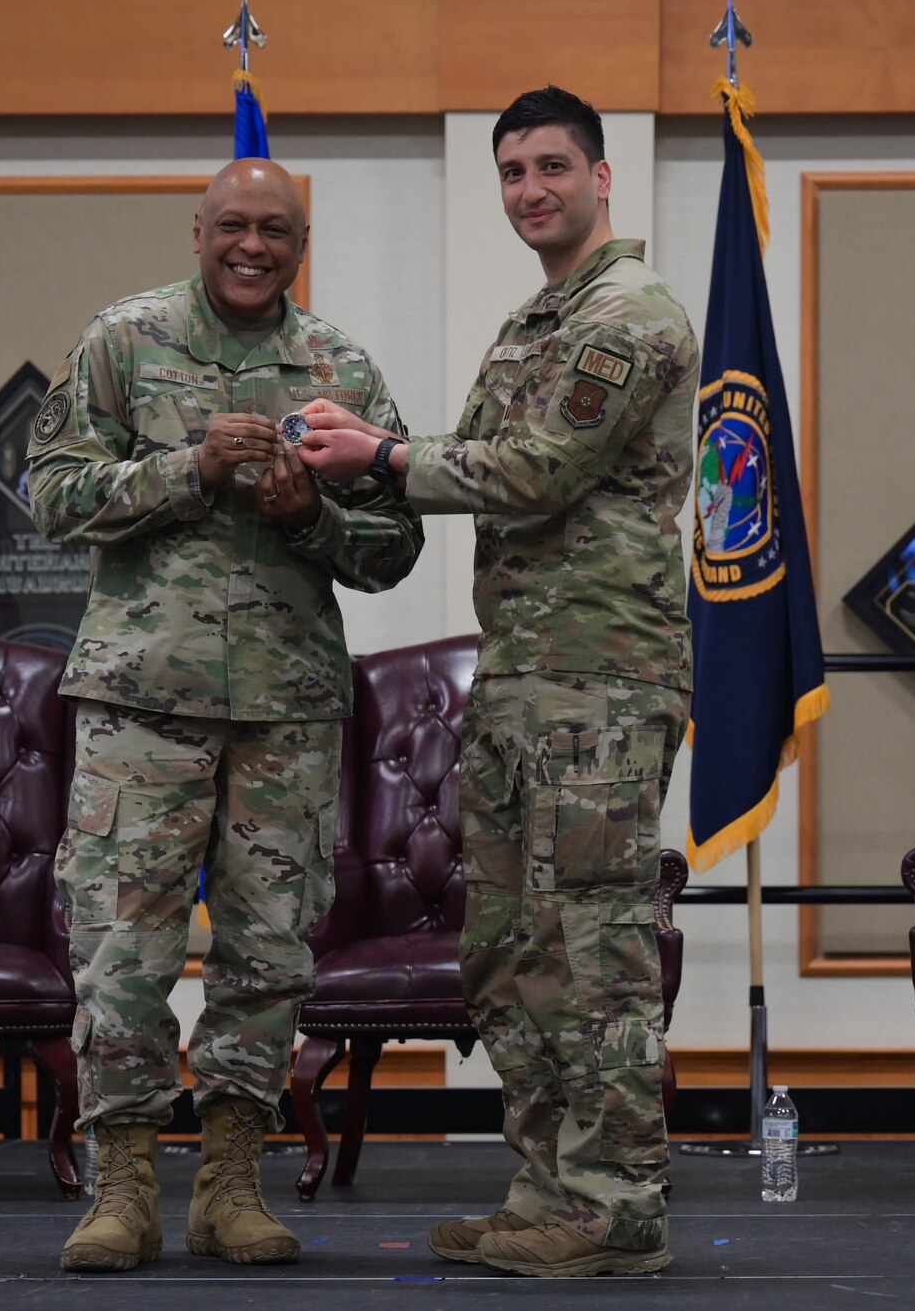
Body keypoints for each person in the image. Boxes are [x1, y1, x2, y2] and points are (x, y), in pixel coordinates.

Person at [298, 87, 698, 1278]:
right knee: (512, 948)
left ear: (600, 177)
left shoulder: (630, 317)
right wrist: (338, 454)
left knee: (596, 946)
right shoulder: (533, 321)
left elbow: (531, 472)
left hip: (604, 680)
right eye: (513, 172)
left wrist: (376, 455)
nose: (531, 190)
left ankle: (616, 1207)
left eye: (551, 168)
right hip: (523, 673)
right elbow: (466, 459)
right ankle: (546, 1194)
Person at [27, 158, 423, 1273]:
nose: (253, 247)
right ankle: (120, 1188)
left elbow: (394, 548)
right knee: (120, 950)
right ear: (196, 228)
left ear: (300, 244)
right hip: (140, 698)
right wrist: (184, 471)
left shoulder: (339, 365)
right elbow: (50, 494)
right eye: (233, 227)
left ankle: (230, 1183)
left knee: (269, 947)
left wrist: (310, 517)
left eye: (277, 232)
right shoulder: (122, 338)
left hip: (287, 707)